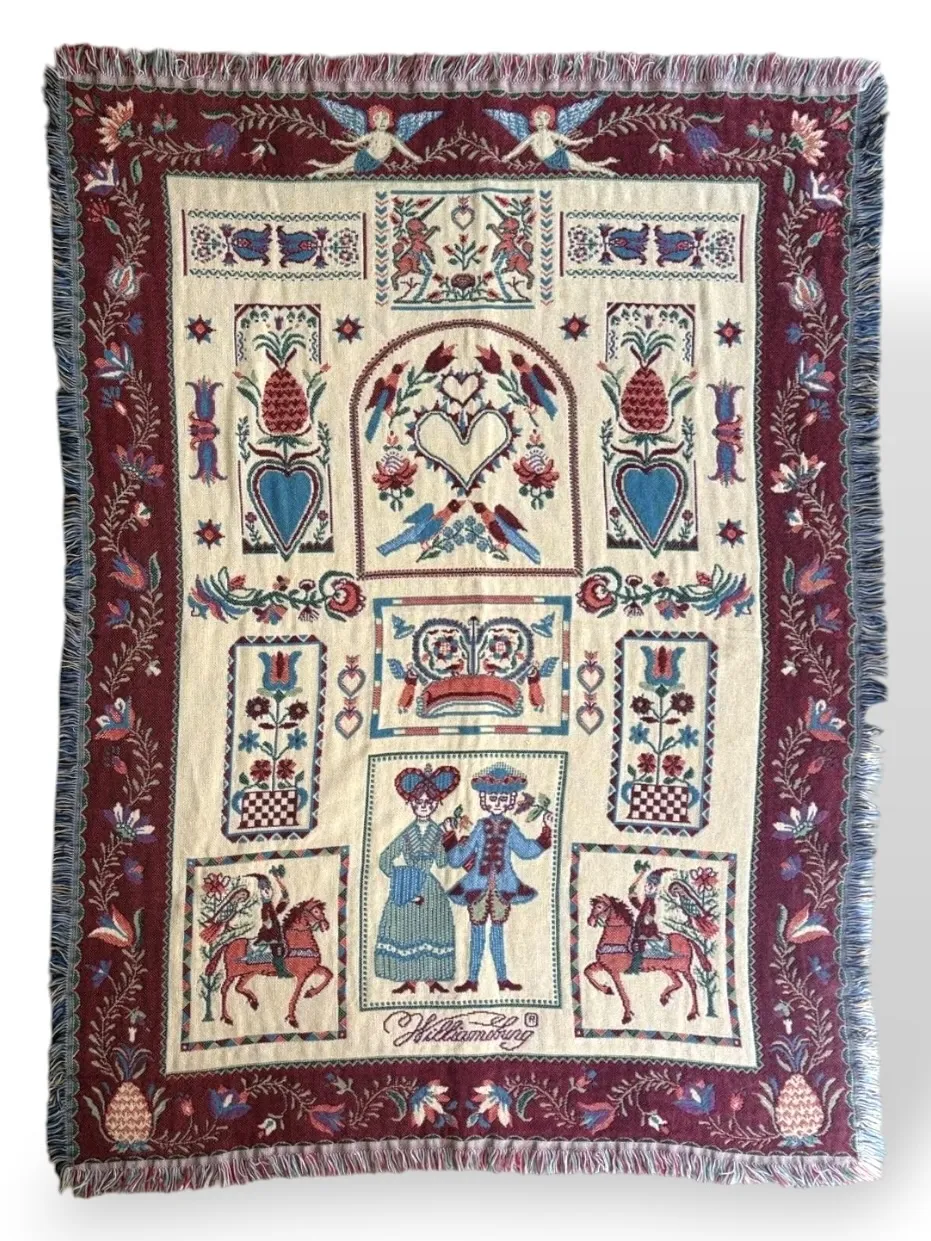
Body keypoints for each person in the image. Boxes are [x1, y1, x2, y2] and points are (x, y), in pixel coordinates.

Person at [445, 763, 552, 992]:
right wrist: (450, 839)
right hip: (477, 888)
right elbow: (460, 857)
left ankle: (502, 979)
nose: (497, 803)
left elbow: (525, 850)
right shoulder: (480, 827)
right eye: (493, 798)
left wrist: (546, 834)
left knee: (497, 932)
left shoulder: (510, 827)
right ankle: (472, 979)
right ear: (484, 800)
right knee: (476, 933)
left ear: (510, 801)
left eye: (502, 799)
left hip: (503, 888)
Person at [374, 764, 460, 994]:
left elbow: (441, 862)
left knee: (433, 928)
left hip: (430, 888)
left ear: (436, 804)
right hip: (407, 887)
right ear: (411, 803)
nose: (424, 806)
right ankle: (409, 979)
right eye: (419, 802)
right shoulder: (407, 834)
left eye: (429, 803)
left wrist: (448, 836)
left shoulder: (436, 832)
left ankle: (431, 979)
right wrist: (401, 878)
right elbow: (384, 859)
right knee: (405, 930)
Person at [250, 869, 290, 979]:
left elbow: (285, 897)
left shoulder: (270, 906)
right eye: (263, 889)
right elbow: (266, 920)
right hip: (269, 935)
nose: (266, 891)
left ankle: (281, 970)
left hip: (275, 933)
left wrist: (278, 880)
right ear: (258, 893)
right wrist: (268, 923)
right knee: (278, 949)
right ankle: (280, 972)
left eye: (268, 888)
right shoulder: (265, 907)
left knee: (281, 947)